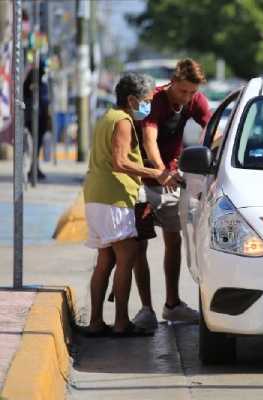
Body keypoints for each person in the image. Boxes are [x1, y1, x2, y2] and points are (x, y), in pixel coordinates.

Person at [82, 73, 174, 337]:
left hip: (97, 196)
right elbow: (120, 162)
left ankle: (96, 322)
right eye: (145, 101)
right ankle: (121, 322)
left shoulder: (107, 117)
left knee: (105, 260)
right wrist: (156, 173)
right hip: (114, 197)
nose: (148, 106)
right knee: (127, 257)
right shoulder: (122, 121)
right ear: (132, 100)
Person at [131, 58, 212, 330]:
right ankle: (145, 309)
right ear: (173, 82)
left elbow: (211, 130)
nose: (187, 97)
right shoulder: (154, 100)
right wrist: (160, 169)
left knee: (174, 240)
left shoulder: (196, 100)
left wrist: (208, 153)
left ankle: (173, 304)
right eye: (183, 91)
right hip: (141, 180)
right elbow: (148, 139)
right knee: (138, 245)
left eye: (192, 92)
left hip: (170, 179)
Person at [23, 60, 50, 181]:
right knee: (35, 144)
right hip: (35, 117)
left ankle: (35, 168)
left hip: (41, 117)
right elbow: (26, 93)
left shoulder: (41, 78)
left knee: (37, 144)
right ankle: (33, 169)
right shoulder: (34, 76)